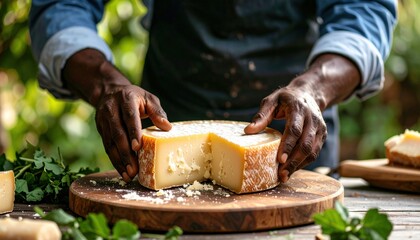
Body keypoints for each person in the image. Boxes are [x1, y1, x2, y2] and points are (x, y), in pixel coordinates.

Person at [29, 0, 397, 183]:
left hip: (295, 135)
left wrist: (313, 90)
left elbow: (364, 10)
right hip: (168, 122)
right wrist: (108, 84)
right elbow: (62, 7)